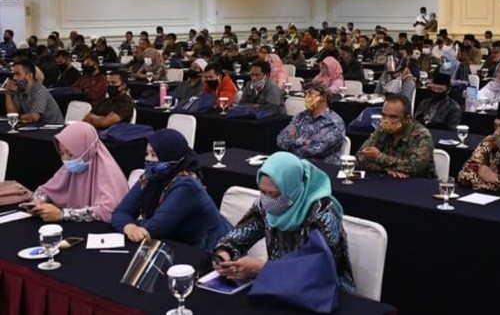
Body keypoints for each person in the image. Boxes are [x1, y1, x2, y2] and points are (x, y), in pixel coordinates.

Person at [213, 151, 355, 292]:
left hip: (324, 293)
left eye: (274, 194)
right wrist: (224, 253)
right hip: (278, 286)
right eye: (263, 192)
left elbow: (318, 269)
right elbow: (239, 235)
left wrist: (261, 268)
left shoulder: (323, 212)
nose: (267, 200)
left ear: (293, 189)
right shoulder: (265, 206)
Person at [112, 129, 232, 251]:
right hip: (177, 244)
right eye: (147, 154)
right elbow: (120, 212)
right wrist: (129, 227)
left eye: (154, 155)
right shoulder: (150, 177)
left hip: (212, 250)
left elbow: (156, 227)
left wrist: (131, 224)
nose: (148, 159)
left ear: (170, 156)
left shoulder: (186, 185)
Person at [29, 122, 129, 222]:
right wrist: (38, 201)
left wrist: (63, 214)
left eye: (71, 154)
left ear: (87, 150)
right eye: (62, 153)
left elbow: (108, 211)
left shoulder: (107, 173)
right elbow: (47, 190)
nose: (66, 159)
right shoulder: (71, 167)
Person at [356, 94, 434, 178]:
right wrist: (385, 169)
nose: (386, 120)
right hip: (387, 179)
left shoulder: (421, 135)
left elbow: (415, 167)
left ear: (406, 119)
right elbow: (359, 158)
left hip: (417, 182)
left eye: (393, 117)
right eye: (384, 115)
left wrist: (378, 157)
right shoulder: (382, 130)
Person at [276, 83, 345, 164]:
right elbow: (281, 140)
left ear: (323, 97)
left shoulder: (333, 121)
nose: (307, 97)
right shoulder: (301, 116)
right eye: (305, 94)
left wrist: (293, 142)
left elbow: (316, 150)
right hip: (295, 162)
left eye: (311, 94)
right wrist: (303, 142)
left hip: (321, 166)